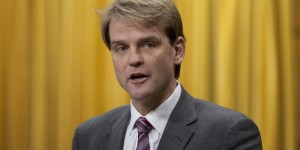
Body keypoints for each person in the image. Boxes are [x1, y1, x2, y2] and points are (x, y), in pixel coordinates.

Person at [72, 0, 262, 149]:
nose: (134, 59)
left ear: (177, 51)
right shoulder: (88, 136)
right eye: (121, 48)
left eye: (148, 44)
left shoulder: (229, 133)